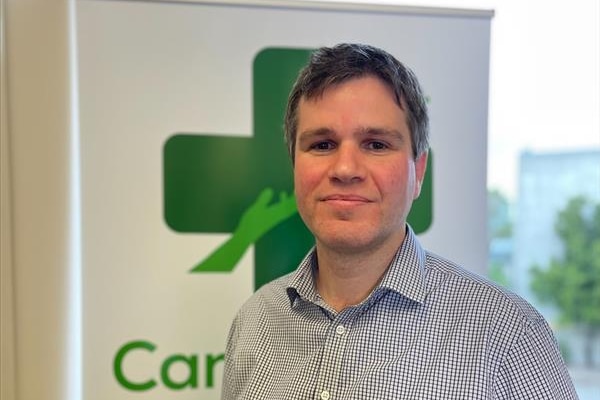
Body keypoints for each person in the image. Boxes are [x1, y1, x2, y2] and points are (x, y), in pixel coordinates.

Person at [221, 43, 578, 399]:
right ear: (295, 165)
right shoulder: (255, 321)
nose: (345, 169)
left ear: (418, 171)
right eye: (323, 145)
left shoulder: (508, 336)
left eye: (376, 144)